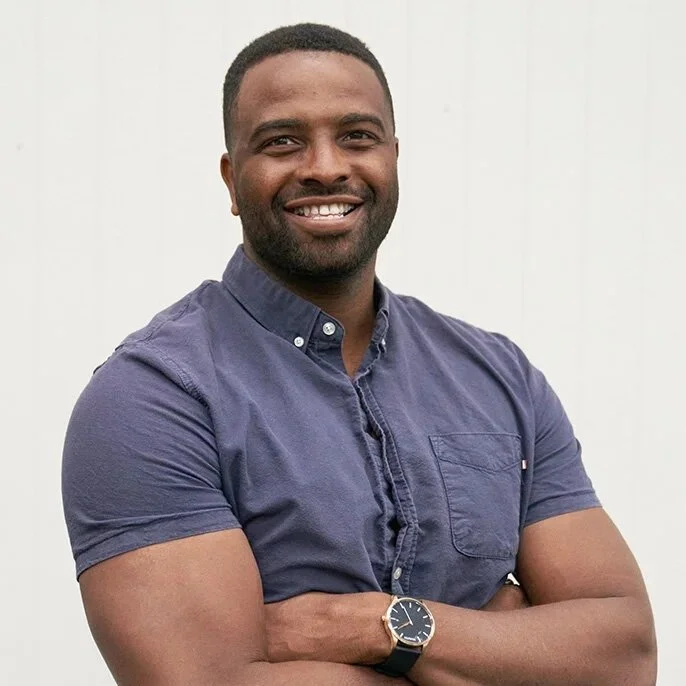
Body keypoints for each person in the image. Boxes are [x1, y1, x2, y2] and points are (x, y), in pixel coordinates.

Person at [62, 23, 657, 685]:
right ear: (231, 180)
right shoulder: (151, 399)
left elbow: (625, 659)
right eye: (282, 141)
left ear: (392, 158)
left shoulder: (499, 377)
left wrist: (374, 627)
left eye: (357, 136)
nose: (325, 166)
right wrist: (502, 644)